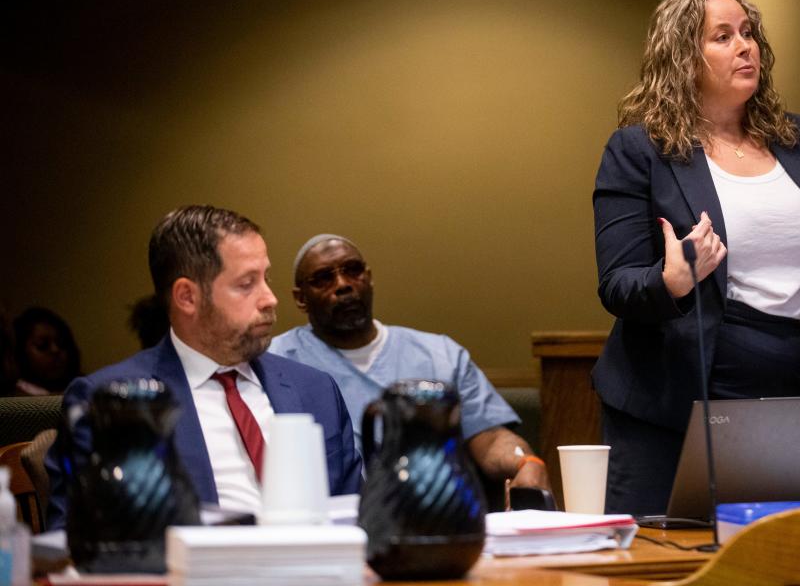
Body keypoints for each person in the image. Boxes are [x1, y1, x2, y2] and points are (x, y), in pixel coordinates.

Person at [592, 0, 800, 515]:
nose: (746, 46)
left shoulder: (799, 140)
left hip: (785, 403)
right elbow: (618, 283)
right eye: (723, 36)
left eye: (749, 32)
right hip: (669, 411)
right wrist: (672, 281)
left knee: (779, 559)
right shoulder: (640, 149)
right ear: (683, 57)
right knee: (663, 566)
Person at [45, 206, 363, 529]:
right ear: (187, 297)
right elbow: (71, 543)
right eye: (246, 284)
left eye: (266, 278)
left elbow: (355, 526)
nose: (270, 299)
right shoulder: (108, 404)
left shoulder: (316, 391)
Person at [269, 234, 551, 497]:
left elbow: (489, 438)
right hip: (331, 521)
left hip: (431, 516)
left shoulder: (440, 355)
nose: (343, 284)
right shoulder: (275, 361)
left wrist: (526, 462)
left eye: (352, 270)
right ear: (300, 298)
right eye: (322, 278)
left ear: (368, 277)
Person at [11, 307, 82, 395]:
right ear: (21, 351)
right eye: (42, 345)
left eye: (61, 343)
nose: (55, 350)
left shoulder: (83, 390)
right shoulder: (13, 399)